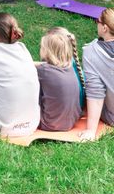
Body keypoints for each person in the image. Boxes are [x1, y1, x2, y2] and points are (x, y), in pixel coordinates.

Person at [36, 27, 83, 131]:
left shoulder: (44, 71)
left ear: (48, 51)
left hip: (48, 124)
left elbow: (23, 67)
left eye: (42, 47)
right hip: (71, 123)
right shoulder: (71, 67)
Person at [79, 9, 114, 140]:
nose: (96, 24)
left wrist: (90, 130)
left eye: (97, 21)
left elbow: (95, 92)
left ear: (105, 28)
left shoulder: (91, 52)